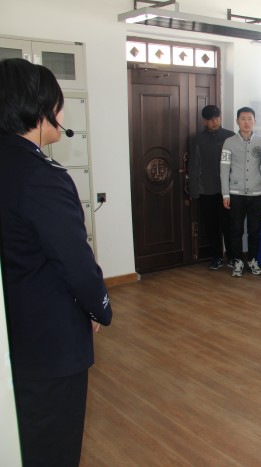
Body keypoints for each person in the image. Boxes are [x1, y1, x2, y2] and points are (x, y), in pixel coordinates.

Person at [0, 58, 113, 466]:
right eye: (58, 104)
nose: (62, 114)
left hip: (14, 332)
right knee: (53, 444)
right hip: (48, 341)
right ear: (40, 108)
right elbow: (75, 261)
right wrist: (99, 307)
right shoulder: (41, 175)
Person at [221, 106, 261, 277]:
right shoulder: (229, 142)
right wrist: (225, 194)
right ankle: (237, 261)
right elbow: (224, 169)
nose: (246, 122)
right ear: (237, 121)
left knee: (254, 230)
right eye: (243, 119)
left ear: (254, 121)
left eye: (249, 119)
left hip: (256, 194)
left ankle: (253, 260)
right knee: (236, 230)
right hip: (235, 194)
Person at [189, 104, 235, 270]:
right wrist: (194, 189)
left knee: (229, 225)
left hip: (227, 191)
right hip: (206, 190)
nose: (215, 122)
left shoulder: (230, 136)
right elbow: (194, 165)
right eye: (211, 119)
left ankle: (232, 256)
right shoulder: (198, 139)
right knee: (211, 225)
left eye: (217, 118)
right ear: (204, 121)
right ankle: (216, 257)